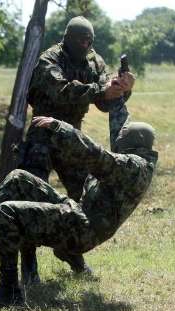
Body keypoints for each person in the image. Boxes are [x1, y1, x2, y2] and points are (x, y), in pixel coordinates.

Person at [0, 114, 158, 310]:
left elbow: (98, 156)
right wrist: (118, 92)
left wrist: (61, 128)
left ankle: (9, 292)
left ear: (129, 144)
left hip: (83, 229)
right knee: (19, 178)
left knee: (7, 212)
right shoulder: (138, 161)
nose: (117, 140)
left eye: (121, 138)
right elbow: (119, 129)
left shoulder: (134, 168)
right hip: (78, 215)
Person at [17, 15, 135, 282]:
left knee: (85, 198)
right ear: (68, 39)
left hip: (71, 136)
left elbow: (105, 100)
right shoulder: (51, 58)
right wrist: (100, 90)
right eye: (81, 40)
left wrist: (122, 89)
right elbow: (62, 90)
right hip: (43, 134)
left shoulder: (95, 61)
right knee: (30, 196)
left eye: (89, 41)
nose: (86, 45)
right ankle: (29, 267)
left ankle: (70, 251)